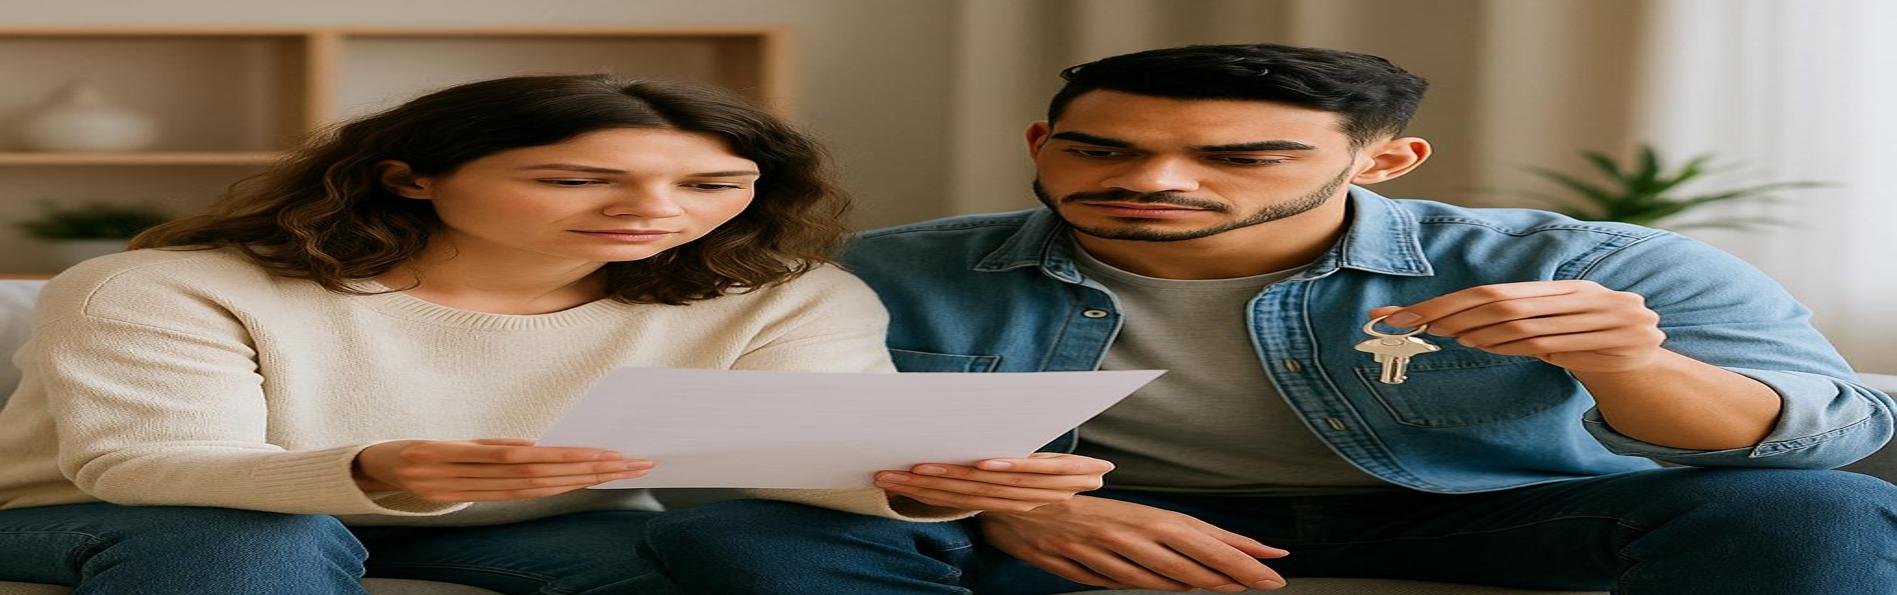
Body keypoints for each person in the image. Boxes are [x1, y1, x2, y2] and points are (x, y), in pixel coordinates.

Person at [640, 44, 1897, 594]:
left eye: (1236, 158)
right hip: (1100, 517)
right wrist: (1004, 503)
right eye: (1101, 148)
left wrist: (1631, 363)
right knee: (745, 525)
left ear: (1387, 160)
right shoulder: (890, 271)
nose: (1157, 180)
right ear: (1042, 143)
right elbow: (709, 430)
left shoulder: (1592, 263)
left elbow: (1827, 436)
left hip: (1488, 511)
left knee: (1816, 513)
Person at [0, 74, 1110, 594]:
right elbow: (138, 461)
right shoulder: (166, 286)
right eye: (574, 177)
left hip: (530, 522)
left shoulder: (782, 293)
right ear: (409, 175)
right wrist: (369, 469)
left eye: (709, 183)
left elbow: (784, 463)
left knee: (726, 556)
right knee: (260, 546)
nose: (655, 211)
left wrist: (920, 483)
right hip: (118, 511)